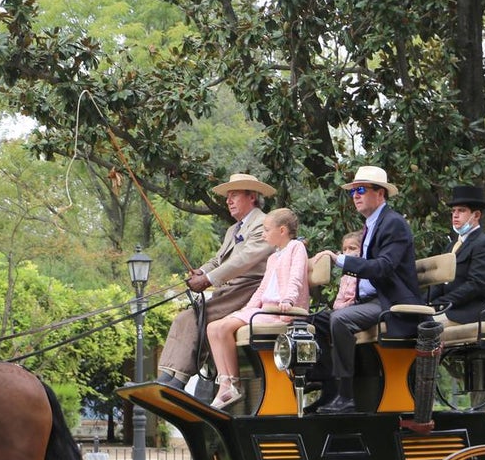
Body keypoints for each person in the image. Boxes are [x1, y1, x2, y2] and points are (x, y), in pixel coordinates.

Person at [310, 166, 422, 414]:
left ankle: (347, 396)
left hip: (389, 301)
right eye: (352, 191)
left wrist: (340, 259)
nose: (355, 195)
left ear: (380, 193)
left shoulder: (394, 224)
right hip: (369, 300)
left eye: (361, 189)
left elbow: (383, 268)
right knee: (316, 320)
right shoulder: (371, 225)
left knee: (339, 319)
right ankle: (329, 389)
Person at [156, 172, 275, 390]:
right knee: (183, 318)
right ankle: (166, 376)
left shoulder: (264, 223)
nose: (228, 201)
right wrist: (200, 272)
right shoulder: (233, 229)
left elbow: (244, 259)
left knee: (197, 317)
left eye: (234, 195)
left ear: (252, 197)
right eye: (227, 196)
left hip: (250, 289)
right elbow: (218, 259)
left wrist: (208, 279)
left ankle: (179, 380)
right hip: (230, 288)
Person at [205, 208, 309, 409]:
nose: (263, 234)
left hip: (280, 311)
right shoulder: (273, 257)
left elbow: (296, 277)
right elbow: (263, 288)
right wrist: (247, 309)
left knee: (224, 328)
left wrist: (288, 300)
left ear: (282, 230)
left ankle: (234, 384)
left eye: (266, 230)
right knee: (212, 327)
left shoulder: (296, 248)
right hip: (264, 309)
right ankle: (225, 382)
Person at [430, 184, 485, 324]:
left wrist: (442, 303)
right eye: (453, 211)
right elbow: (439, 283)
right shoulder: (452, 246)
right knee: (410, 319)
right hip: (450, 308)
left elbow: (475, 284)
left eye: (461, 210)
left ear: (476, 215)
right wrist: (423, 304)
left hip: (471, 311)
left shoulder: (484, 244)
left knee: (424, 326)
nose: (455, 215)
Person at [332, 230, 364, 310]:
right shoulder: (345, 276)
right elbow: (339, 298)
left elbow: (354, 299)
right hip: (339, 309)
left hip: (353, 309)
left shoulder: (363, 273)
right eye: (344, 249)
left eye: (352, 248)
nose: (347, 252)